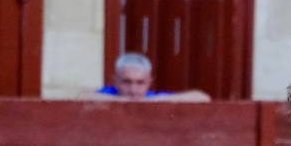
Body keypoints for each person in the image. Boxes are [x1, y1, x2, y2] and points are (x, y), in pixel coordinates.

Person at [82, 52, 210, 102]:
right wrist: (124, 101)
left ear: (149, 82)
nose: (133, 89)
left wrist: (149, 102)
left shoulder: (153, 97)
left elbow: (202, 98)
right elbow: (82, 96)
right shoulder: (108, 93)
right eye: (127, 82)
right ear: (115, 81)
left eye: (140, 83)